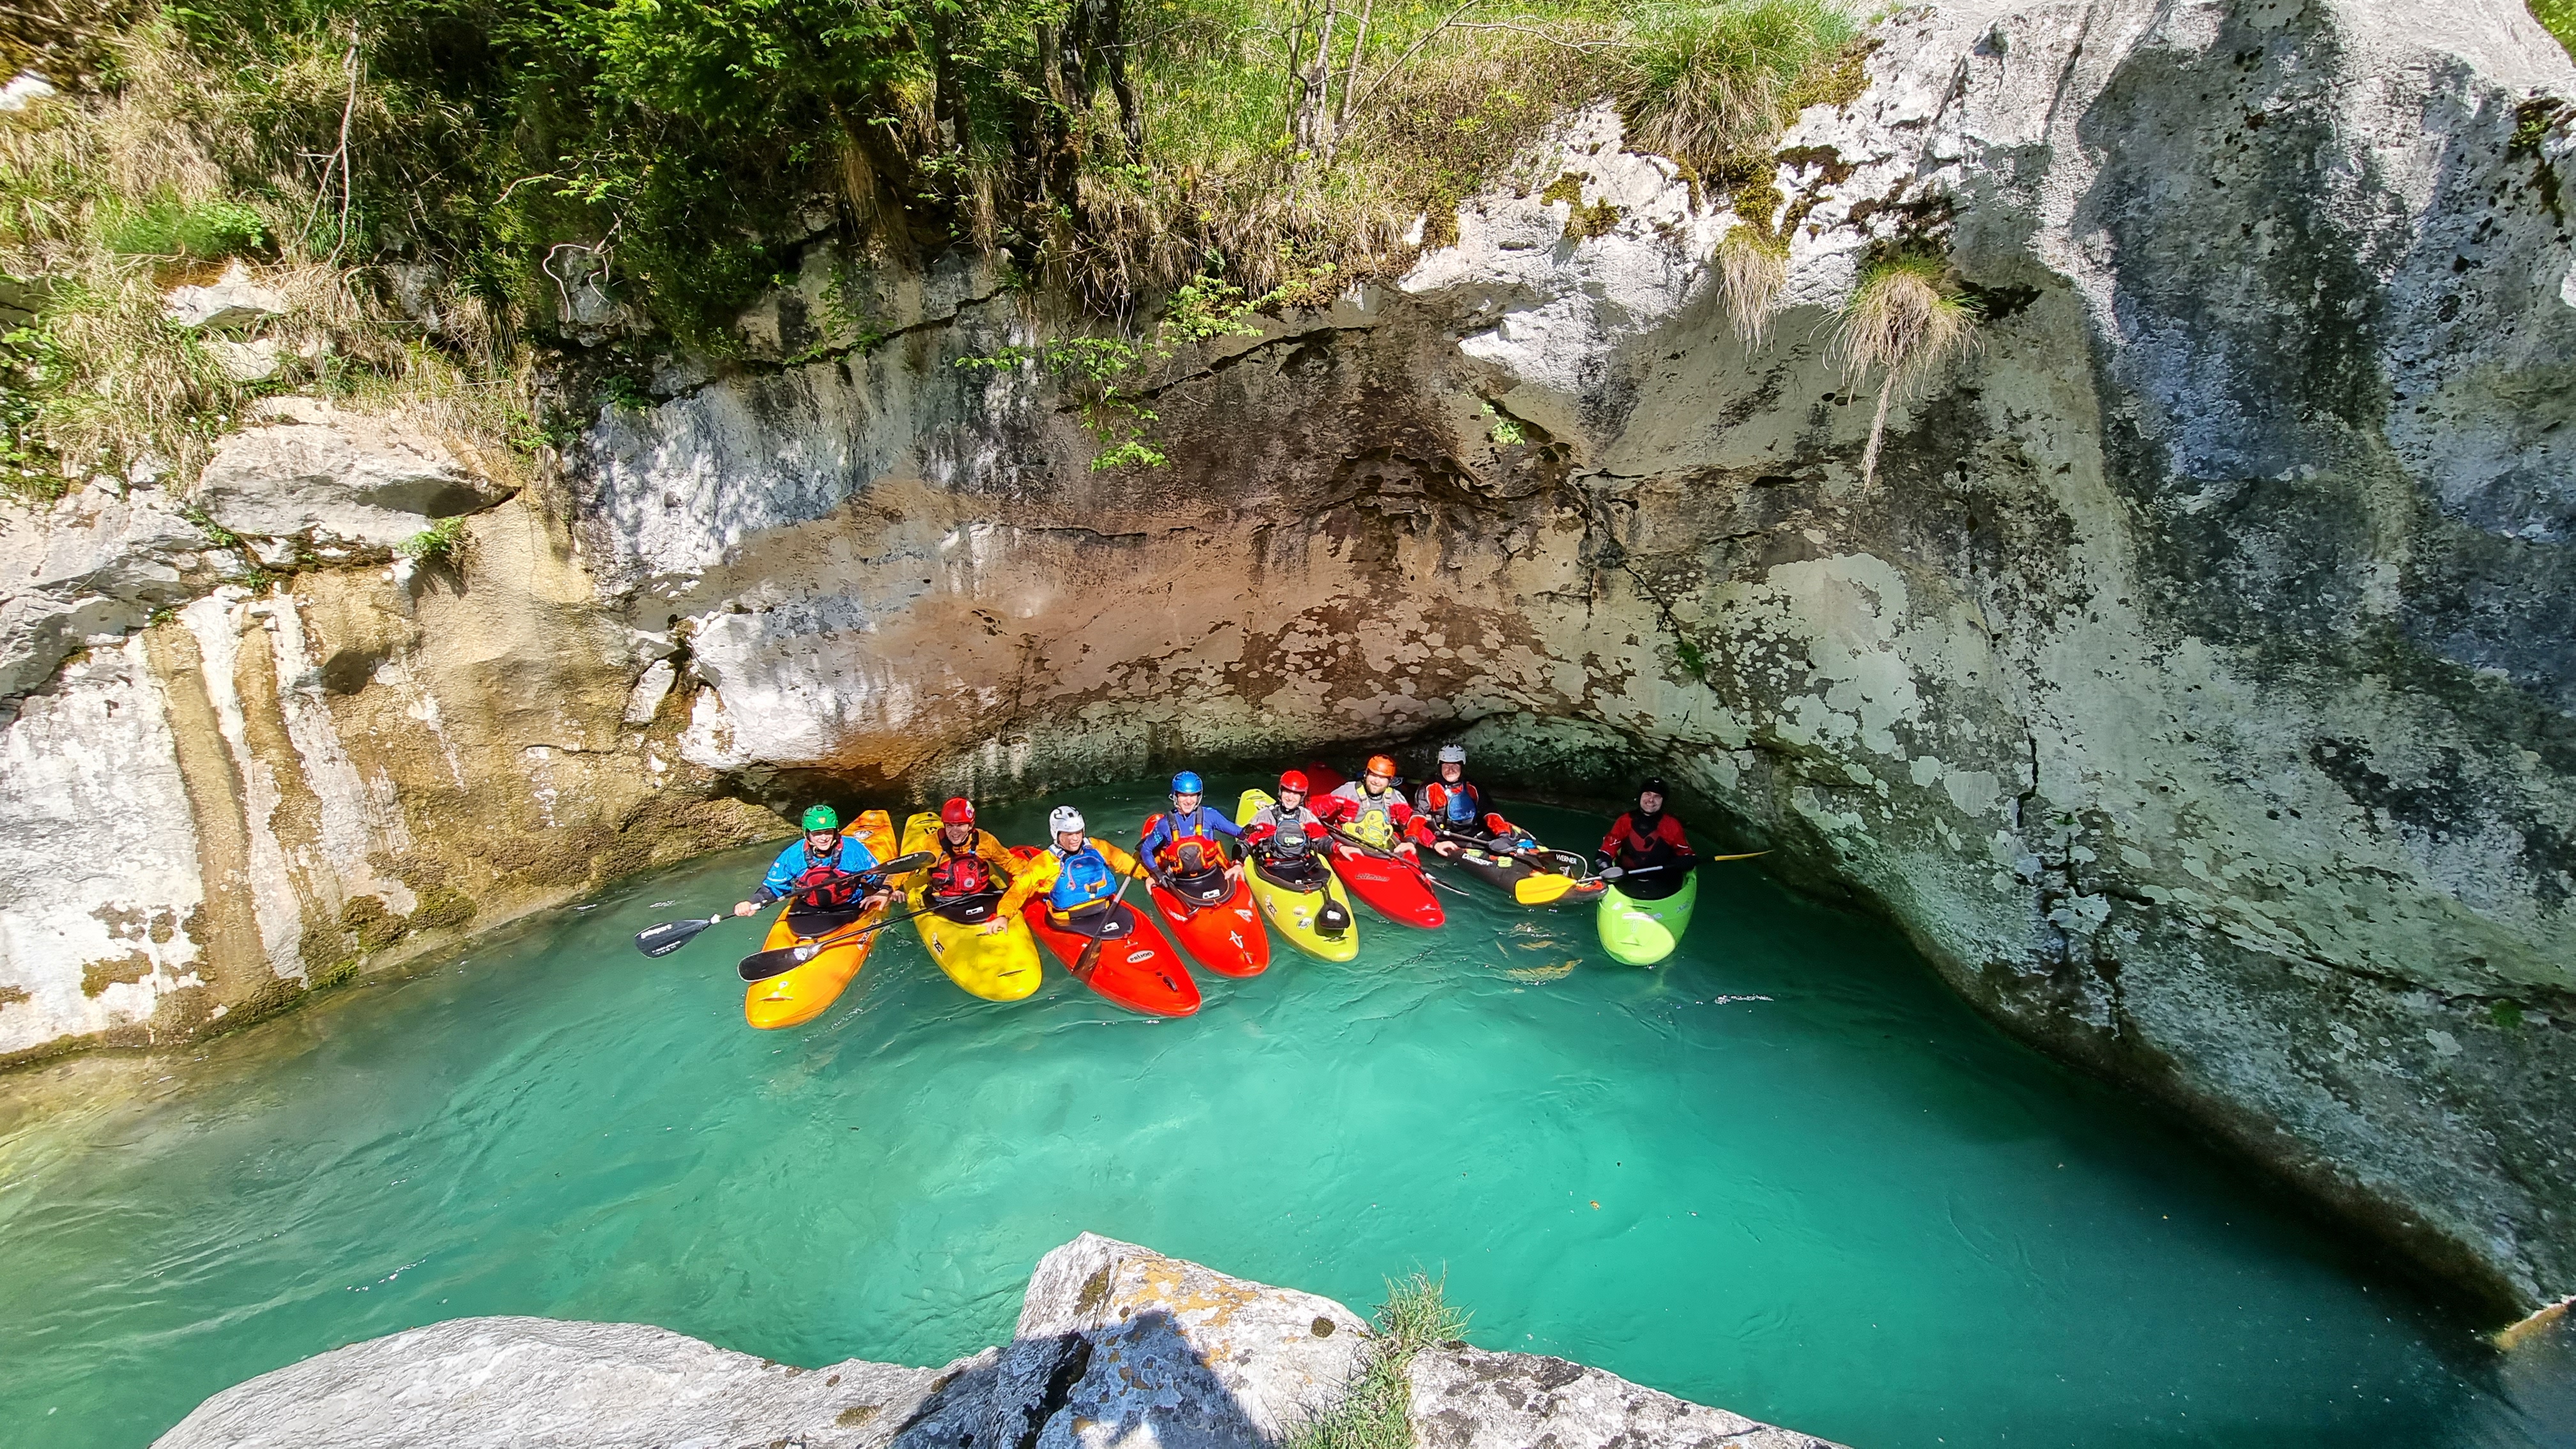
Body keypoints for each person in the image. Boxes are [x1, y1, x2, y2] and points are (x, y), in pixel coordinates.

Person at [733, 804, 894, 924]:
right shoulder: (793, 855)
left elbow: (880, 877)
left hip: (850, 906)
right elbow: (772, 888)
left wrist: (886, 891)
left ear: (835, 831)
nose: (824, 838)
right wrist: (752, 903)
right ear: (807, 834)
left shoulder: (852, 849)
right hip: (809, 909)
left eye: (828, 832)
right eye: (817, 833)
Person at [1005, 806, 1151, 930]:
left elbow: (1123, 860)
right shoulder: (1046, 862)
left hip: (1105, 909)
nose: (1075, 838)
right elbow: (1020, 888)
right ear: (1057, 834)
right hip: (1068, 922)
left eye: (1078, 832)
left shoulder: (1098, 847)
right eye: (1068, 834)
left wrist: (1147, 876)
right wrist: (1004, 915)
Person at [1137, 770, 1247, 888]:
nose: (1189, 801)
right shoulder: (1164, 824)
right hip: (1180, 880)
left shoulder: (1211, 816)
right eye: (1184, 795)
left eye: (1193, 795)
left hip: (1211, 874)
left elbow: (1241, 834)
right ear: (1175, 796)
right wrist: (1157, 873)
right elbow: (1146, 850)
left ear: (1198, 796)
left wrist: (1238, 864)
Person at [1410, 744, 1524, 858]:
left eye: (1455, 765)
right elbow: (1418, 815)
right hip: (1444, 836)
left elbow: (1489, 811)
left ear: (1462, 766)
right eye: (1446, 766)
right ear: (1440, 767)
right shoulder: (1429, 788)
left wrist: (1503, 835)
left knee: (1502, 842)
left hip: (1471, 832)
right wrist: (1412, 839)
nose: (1450, 770)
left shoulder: (1472, 786)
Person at [1593, 777, 1697, 899]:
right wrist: (1606, 869)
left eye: (1657, 796)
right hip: (1627, 882)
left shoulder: (1672, 825)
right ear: (1640, 797)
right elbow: (1605, 852)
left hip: (1664, 885)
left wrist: (1686, 861)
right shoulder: (1624, 821)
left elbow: (1687, 854)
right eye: (1647, 794)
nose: (1651, 800)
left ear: (1663, 801)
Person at [1315, 755, 1424, 860]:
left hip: (1381, 849)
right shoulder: (1347, 793)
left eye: (1382, 778)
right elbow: (1312, 815)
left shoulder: (1395, 799)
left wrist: (1416, 842)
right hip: (1348, 845)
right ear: (1366, 774)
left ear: (1390, 781)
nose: (1376, 781)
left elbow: (1413, 822)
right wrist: (1329, 843)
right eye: (1373, 775)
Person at [920, 795, 1018, 904]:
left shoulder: (985, 841)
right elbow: (909, 862)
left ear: (971, 825)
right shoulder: (932, 843)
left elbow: (1009, 862)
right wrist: (901, 882)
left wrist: (1028, 878)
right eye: (950, 826)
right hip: (945, 902)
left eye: (960, 825)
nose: (955, 832)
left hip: (982, 895)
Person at [1242, 770, 1333, 884]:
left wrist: (1338, 847)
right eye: (1287, 792)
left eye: (1296, 794)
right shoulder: (1266, 816)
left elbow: (1321, 838)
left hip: (1301, 864)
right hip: (1273, 867)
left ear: (1302, 797)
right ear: (1281, 791)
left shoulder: (1306, 816)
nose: (1290, 798)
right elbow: (1245, 842)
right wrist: (1238, 863)